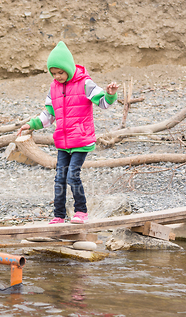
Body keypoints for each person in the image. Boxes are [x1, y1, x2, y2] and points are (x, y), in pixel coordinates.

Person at [17, 41, 119, 224]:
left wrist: (110, 94)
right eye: (54, 73)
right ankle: (58, 216)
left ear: (69, 69)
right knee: (59, 178)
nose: (57, 76)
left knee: (73, 175)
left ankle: (81, 211)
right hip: (63, 142)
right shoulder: (53, 88)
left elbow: (104, 103)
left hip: (80, 140)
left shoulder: (85, 83)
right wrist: (31, 124)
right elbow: (49, 115)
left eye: (60, 73)